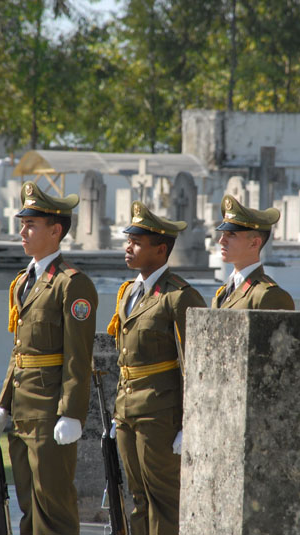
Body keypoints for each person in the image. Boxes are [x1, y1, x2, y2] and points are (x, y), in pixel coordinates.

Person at [0, 181, 98, 535]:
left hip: (50, 412)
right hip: (22, 413)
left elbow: (78, 356)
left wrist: (72, 413)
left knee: (54, 506)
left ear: (55, 230)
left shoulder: (71, 283)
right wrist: (2, 406)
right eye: (23, 223)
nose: (22, 231)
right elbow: (20, 353)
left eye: (30, 224)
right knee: (28, 508)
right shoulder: (23, 282)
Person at [106, 201, 206, 535]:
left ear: (160, 249)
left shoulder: (179, 297)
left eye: (137, 242)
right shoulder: (129, 293)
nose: (128, 247)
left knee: (164, 500)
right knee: (137, 499)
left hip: (161, 415)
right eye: (128, 240)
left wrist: (187, 425)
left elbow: (196, 368)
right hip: (127, 410)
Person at [212, 194, 295, 310]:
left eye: (231, 234)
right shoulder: (224, 292)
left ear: (254, 243)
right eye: (222, 234)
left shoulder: (269, 296)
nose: (221, 241)